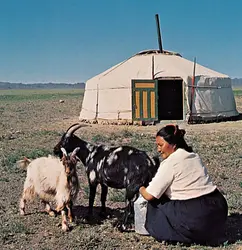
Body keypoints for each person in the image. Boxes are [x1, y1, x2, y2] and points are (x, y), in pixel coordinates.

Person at [139, 124, 228, 245]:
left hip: (197, 215)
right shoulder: (194, 156)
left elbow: (150, 195)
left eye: (161, 145)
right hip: (218, 208)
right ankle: (210, 233)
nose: (158, 150)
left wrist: (141, 188)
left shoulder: (170, 162)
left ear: (173, 145)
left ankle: (181, 236)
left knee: (154, 205)